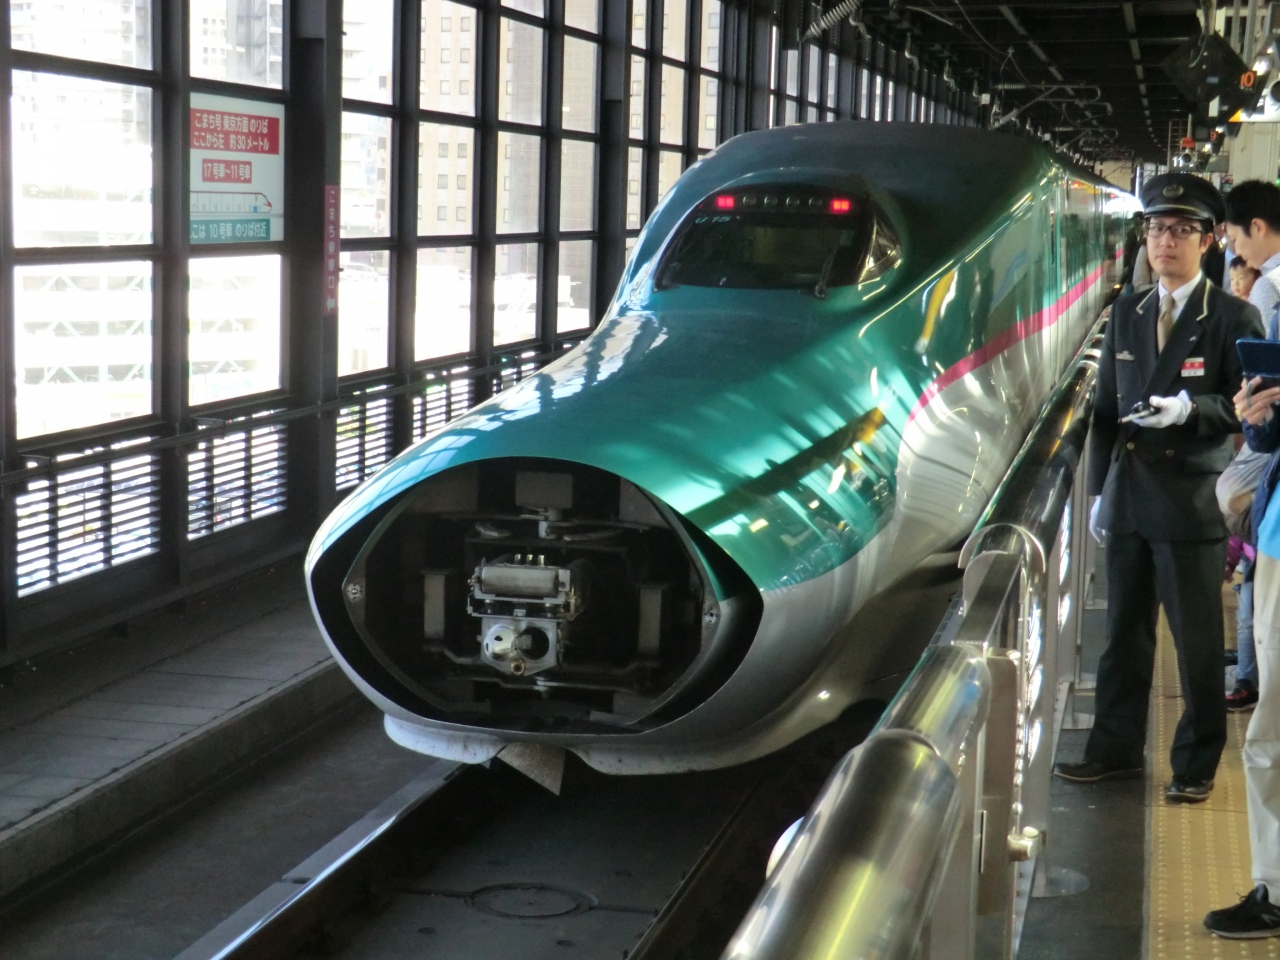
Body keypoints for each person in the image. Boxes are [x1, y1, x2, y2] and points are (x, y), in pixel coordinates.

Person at [1053, 173, 1264, 803]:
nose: (1165, 241)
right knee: (1123, 636)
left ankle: (1196, 763)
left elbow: (1250, 405)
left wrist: (1191, 411)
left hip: (1190, 502)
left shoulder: (1232, 316)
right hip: (1129, 497)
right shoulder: (1129, 310)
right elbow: (1105, 409)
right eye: (1156, 229)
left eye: (1180, 230)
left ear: (1208, 240)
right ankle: (1113, 750)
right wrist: (1098, 491)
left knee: (1196, 643)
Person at [1204, 377, 1280, 936]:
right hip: (1276, 541)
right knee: (1269, 736)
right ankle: (1273, 884)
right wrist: (1259, 416)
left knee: (1271, 734)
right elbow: (1267, 442)